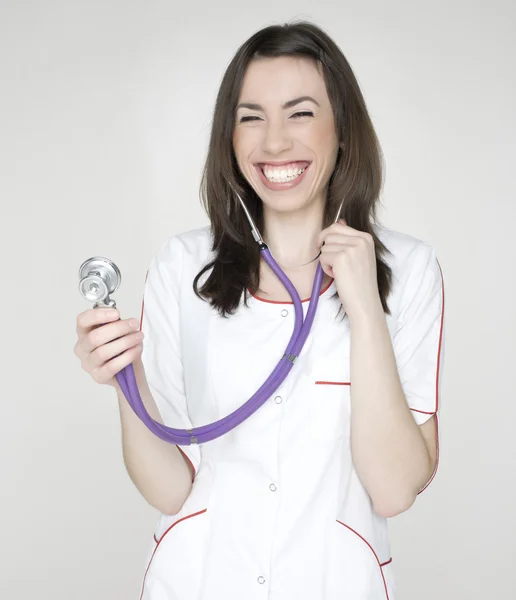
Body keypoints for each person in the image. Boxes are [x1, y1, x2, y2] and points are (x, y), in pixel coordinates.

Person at [74, 21, 445, 600]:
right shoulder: (181, 266)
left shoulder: (411, 271)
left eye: (300, 113)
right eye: (251, 117)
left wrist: (366, 310)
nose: (274, 143)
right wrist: (126, 377)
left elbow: (395, 489)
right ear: (230, 137)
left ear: (342, 129)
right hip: (196, 582)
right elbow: (170, 488)